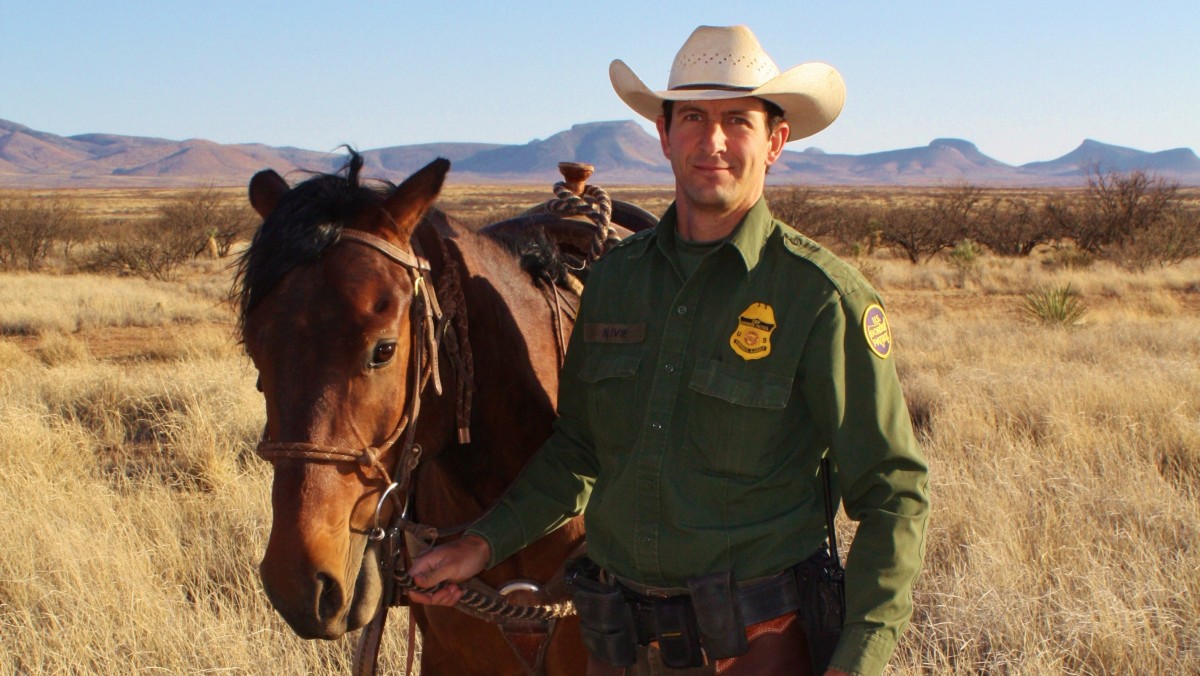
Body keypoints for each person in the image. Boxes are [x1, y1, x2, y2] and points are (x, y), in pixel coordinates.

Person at [409, 25, 929, 676]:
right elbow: (579, 452)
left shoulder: (821, 298)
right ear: (664, 134)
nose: (713, 141)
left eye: (737, 120)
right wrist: (481, 545)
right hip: (618, 648)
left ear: (775, 141)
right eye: (693, 118)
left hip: (757, 650)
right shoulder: (616, 281)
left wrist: (857, 661)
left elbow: (892, 494)